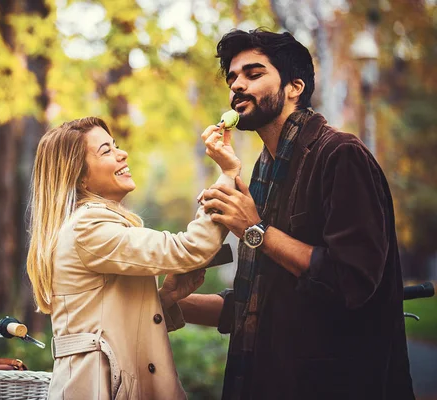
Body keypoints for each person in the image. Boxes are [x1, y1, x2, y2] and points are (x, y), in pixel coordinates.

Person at [162, 28, 414, 400]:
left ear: (295, 87)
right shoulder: (264, 170)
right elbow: (256, 303)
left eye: (254, 73)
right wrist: (161, 304)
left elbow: (352, 281)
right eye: (232, 77)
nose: (237, 86)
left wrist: (255, 229)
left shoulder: (340, 156)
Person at [26, 116, 240, 399]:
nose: (122, 153)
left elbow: (106, 321)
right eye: (106, 150)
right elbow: (189, 249)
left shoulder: (92, 226)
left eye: (115, 145)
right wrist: (228, 173)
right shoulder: (87, 228)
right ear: (80, 176)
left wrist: (164, 297)